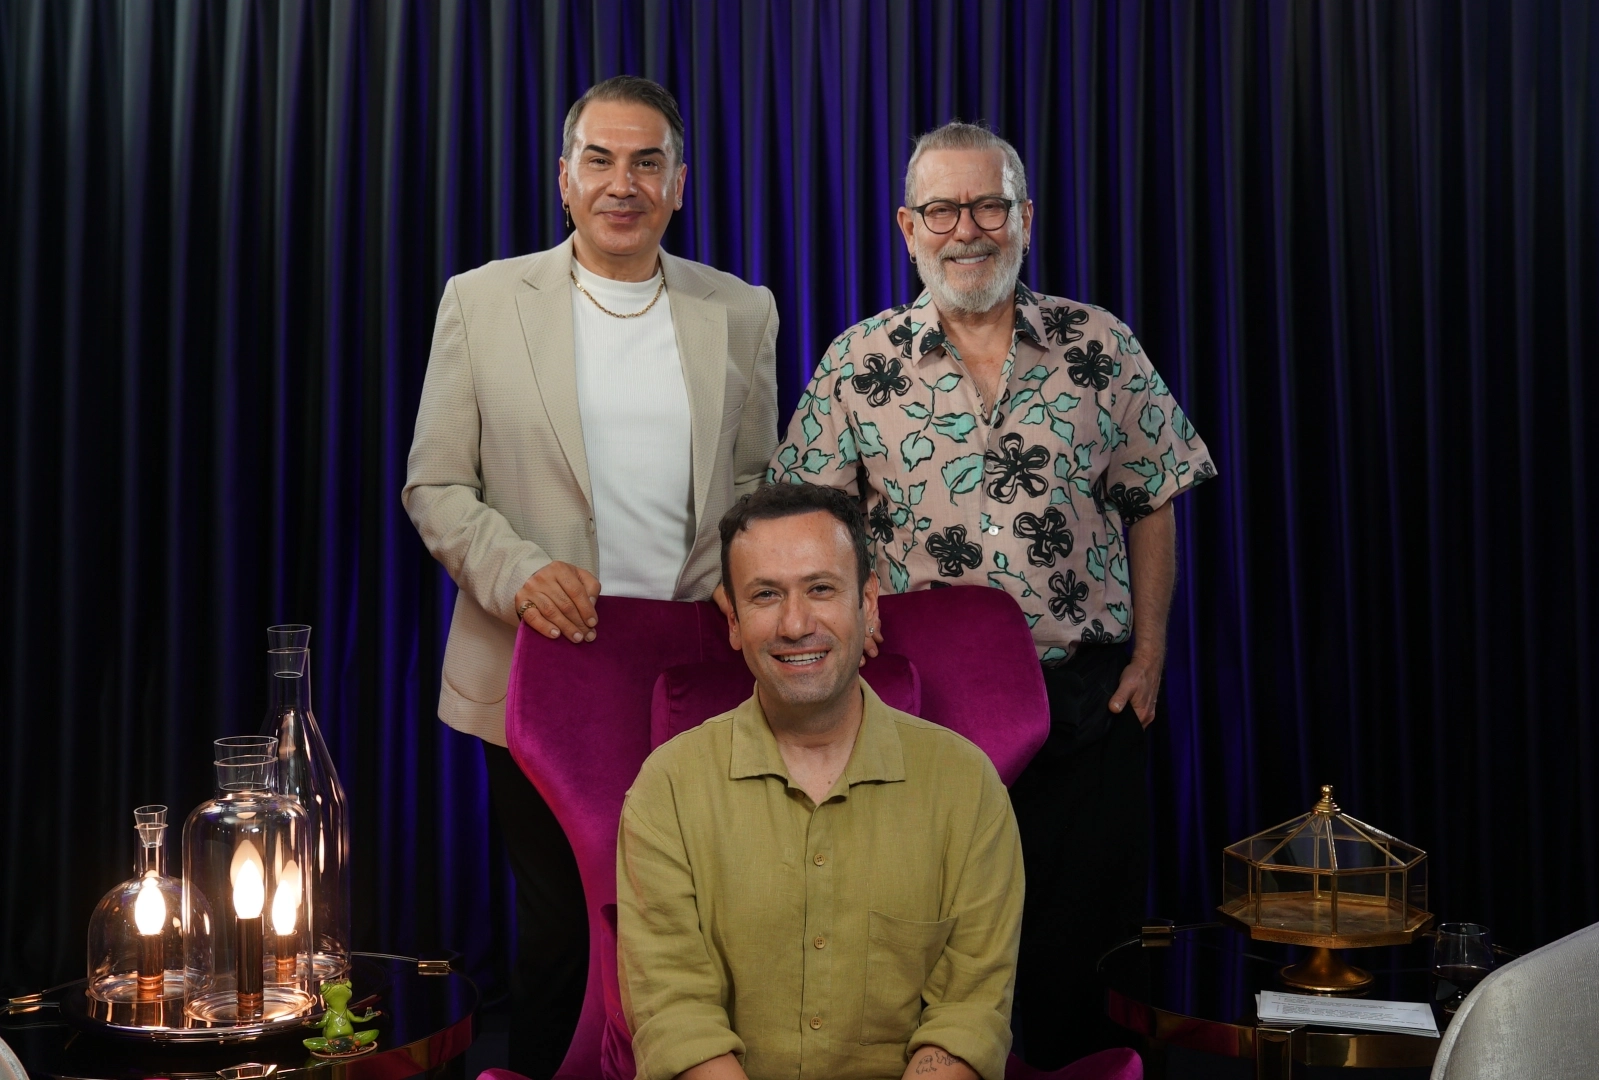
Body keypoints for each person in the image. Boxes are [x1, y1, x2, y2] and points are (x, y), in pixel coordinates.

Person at [767, 122, 1216, 1065]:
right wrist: (850, 606)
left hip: (1084, 705)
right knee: (925, 953)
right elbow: (804, 520)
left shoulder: (1100, 344)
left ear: (1025, 219)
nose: (965, 229)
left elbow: (1154, 497)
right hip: (921, 707)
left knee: (1078, 960)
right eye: (941, 210)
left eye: (987, 206)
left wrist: (1149, 655)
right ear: (907, 227)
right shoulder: (858, 361)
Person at [402, 75, 778, 1076]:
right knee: (565, 930)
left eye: (648, 162)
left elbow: (755, 484)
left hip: (696, 671)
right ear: (564, 178)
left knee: (705, 921)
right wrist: (519, 572)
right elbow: (435, 484)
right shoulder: (481, 300)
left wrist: (750, 583)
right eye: (601, 160)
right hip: (543, 668)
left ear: (679, 184)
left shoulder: (742, 311)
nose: (624, 183)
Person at [617, 482, 1024, 1080]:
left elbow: (969, 1015)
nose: (795, 623)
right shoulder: (668, 789)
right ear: (733, 621)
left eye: (821, 589)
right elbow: (676, 1017)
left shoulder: (967, 787)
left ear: (869, 603)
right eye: (765, 595)